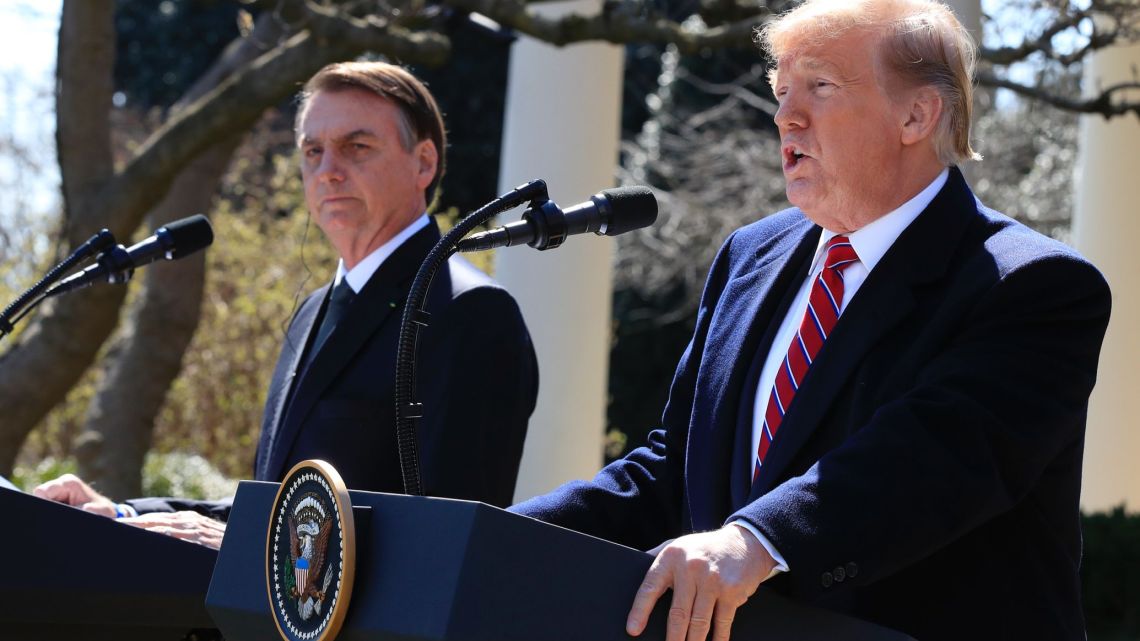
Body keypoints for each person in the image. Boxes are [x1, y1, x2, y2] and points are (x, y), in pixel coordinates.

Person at [510, 2, 1111, 640]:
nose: (785, 117)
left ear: (917, 113)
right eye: (781, 91)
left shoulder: (1032, 286)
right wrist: (492, 535)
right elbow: (672, 471)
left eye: (820, 87)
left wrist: (756, 541)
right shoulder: (751, 255)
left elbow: (926, 461)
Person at [35, 61, 539, 548]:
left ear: (423, 163)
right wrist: (123, 516)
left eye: (356, 147)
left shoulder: (469, 312)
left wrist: (254, 545)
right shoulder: (311, 313)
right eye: (312, 150)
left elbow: (450, 537)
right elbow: (272, 510)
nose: (328, 171)